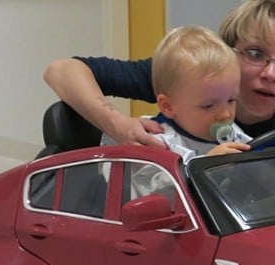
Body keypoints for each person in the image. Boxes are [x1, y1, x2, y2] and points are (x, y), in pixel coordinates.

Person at [43, 0, 275, 148]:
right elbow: (60, 71)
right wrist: (117, 124)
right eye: (255, 53)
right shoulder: (186, 78)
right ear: (227, 51)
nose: (271, 73)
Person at [101, 25, 252, 162]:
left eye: (231, 100)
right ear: (168, 106)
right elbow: (159, 185)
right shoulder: (159, 143)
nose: (225, 114)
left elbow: (251, 151)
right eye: (209, 105)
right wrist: (206, 164)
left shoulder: (230, 132)